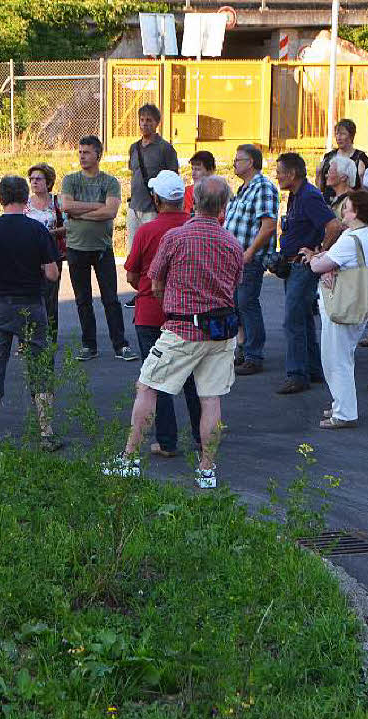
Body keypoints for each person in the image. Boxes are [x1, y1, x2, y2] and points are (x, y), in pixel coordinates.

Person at [104, 177, 243, 490]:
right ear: (223, 207)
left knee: (148, 386)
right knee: (211, 400)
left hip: (182, 328)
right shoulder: (232, 244)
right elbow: (235, 286)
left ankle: (129, 459)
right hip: (220, 333)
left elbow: (155, 283)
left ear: (194, 203)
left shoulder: (175, 238)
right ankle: (207, 469)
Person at [0, 175, 62, 452]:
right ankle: (46, 433)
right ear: (25, 198)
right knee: (39, 366)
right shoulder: (37, 230)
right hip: (30, 305)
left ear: (0, 198)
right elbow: (52, 273)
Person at [124, 170, 203, 457]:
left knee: (157, 379)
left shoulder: (147, 231)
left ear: (157, 199)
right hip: (189, 314)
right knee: (194, 378)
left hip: (151, 313)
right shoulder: (196, 228)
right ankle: (201, 434)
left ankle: (167, 441)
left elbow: (133, 274)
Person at [61, 135, 137, 362]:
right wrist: (97, 206)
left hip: (102, 249)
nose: (82, 156)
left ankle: (120, 345)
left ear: (98, 155)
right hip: (76, 248)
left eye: (87, 152)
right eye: (80, 152)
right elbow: (66, 206)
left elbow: (111, 212)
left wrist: (79, 212)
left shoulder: (110, 182)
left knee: (110, 299)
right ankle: (89, 345)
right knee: (82, 299)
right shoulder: (70, 180)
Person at [309, 190, 368, 428]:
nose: (342, 210)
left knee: (336, 358)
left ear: (357, 212)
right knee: (341, 356)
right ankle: (342, 404)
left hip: (341, 304)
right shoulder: (362, 233)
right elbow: (334, 261)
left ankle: (344, 412)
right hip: (352, 302)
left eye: (347, 207)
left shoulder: (351, 238)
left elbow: (320, 264)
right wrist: (329, 265)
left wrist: (315, 260)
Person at [276, 152, 343, 394]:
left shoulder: (309, 196)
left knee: (293, 319)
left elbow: (333, 225)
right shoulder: (298, 195)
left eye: (280, 171)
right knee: (303, 318)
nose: (277, 175)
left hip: (302, 268)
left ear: (292, 174)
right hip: (294, 265)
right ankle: (312, 368)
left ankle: (297, 374)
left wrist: (320, 252)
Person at [225, 144, 279, 376]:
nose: (235, 163)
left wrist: (248, 253)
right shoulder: (243, 189)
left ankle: (254, 355)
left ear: (252, 163)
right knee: (237, 305)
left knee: (247, 303)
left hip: (249, 258)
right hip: (234, 258)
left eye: (239, 159)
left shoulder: (263, 187)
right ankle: (243, 349)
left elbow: (267, 226)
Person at [127, 104, 179, 253]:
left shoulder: (165, 148)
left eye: (149, 120)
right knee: (133, 252)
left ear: (157, 123)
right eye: (142, 119)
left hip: (154, 210)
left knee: (152, 252)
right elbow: (133, 172)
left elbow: (172, 179)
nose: (144, 123)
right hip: (133, 208)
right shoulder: (134, 148)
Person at [25, 162, 66, 343]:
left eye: (38, 179)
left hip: (51, 256)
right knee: (29, 298)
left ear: (48, 182)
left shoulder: (57, 202)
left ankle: (51, 338)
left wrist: (49, 234)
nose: (34, 182)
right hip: (29, 258)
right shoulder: (25, 204)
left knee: (50, 299)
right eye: (32, 179)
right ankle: (28, 339)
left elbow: (67, 227)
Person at [316, 119, 368, 205]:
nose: (338, 137)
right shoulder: (329, 157)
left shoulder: (360, 158)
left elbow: (366, 190)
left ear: (351, 136)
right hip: (328, 202)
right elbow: (320, 186)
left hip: (350, 204)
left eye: (343, 134)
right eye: (337, 134)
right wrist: (318, 174)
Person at [184, 150, 216, 217]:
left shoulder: (219, 193)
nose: (193, 173)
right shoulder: (186, 192)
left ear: (210, 170)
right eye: (192, 169)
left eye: (198, 169)